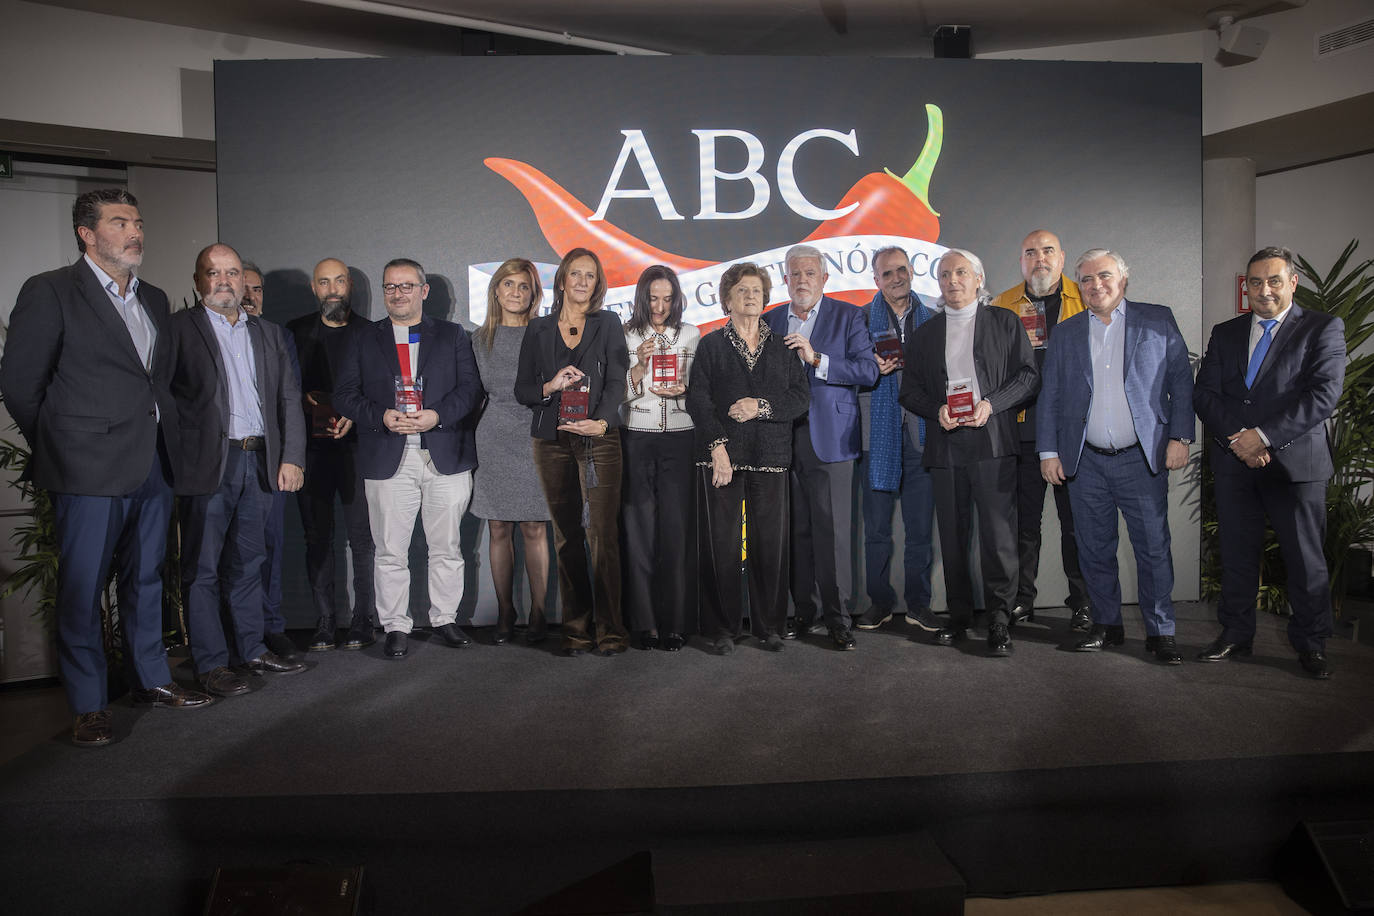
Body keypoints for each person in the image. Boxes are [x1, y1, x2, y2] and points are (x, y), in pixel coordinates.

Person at [1, 188, 212, 746]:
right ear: (87, 235)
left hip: (151, 464)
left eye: (138, 221)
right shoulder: (50, 291)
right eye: (120, 222)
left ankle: (150, 680)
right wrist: (63, 447)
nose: (135, 231)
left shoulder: (155, 297)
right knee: (82, 588)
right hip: (85, 469)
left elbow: (155, 382)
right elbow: (21, 385)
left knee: (146, 579)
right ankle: (90, 704)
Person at [1194, 246, 1345, 679]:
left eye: (1274, 281)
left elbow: (1322, 396)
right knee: (1237, 556)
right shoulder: (1226, 332)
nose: (1265, 291)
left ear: (1292, 283)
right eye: (1255, 282)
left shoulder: (1322, 328)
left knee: (1304, 558)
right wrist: (1238, 440)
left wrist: (1262, 437)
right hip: (1234, 462)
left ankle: (1311, 644)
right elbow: (1205, 393)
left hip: (1295, 467)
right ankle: (1236, 635)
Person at [1037, 249, 1194, 665]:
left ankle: (1161, 632)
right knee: (1093, 548)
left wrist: (1180, 436)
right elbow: (1050, 396)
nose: (1095, 286)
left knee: (1153, 549)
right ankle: (1107, 625)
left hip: (1140, 459)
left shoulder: (1157, 319)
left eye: (1104, 276)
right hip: (1084, 462)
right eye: (1086, 280)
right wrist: (1049, 451)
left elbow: (1181, 381)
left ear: (1123, 280)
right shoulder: (1067, 333)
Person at [168, 243, 307, 698]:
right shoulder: (177, 330)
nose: (225, 281)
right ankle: (210, 664)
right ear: (198, 281)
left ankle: (251, 649)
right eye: (215, 273)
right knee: (203, 569)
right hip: (209, 464)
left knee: (250, 563)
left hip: (260, 459)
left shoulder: (266, 333)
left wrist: (292, 457)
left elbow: (288, 398)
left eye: (232, 273)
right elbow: (164, 401)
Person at [334, 258, 484, 659]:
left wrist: (436, 415)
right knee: (389, 550)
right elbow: (345, 394)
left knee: (447, 547)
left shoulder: (453, 335)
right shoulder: (364, 338)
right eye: (390, 287)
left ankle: (445, 618)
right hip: (388, 454)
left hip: (443, 453)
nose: (397, 294)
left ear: (424, 290)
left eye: (406, 286)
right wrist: (381, 416)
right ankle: (396, 625)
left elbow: (470, 391)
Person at [899, 248, 1038, 656]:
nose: (952, 280)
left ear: (978, 279)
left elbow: (1029, 377)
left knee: (998, 538)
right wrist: (936, 409)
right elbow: (910, 391)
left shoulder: (1005, 321)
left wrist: (992, 403)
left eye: (961, 272)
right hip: (946, 446)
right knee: (953, 538)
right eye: (944, 274)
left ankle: (998, 619)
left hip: (993, 442)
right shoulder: (925, 333)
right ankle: (959, 616)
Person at [687, 262, 811, 654]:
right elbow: (699, 400)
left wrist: (760, 406)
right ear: (727, 299)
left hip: (771, 455)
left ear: (766, 297)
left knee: (770, 544)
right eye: (741, 290)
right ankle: (722, 629)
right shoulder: (711, 345)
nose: (751, 296)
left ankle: (769, 627)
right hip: (723, 457)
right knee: (721, 544)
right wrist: (717, 447)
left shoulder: (784, 347)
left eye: (756, 290)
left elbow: (799, 398)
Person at [515, 248, 630, 657]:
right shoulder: (538, 329)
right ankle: (576, 630)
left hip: (599, 437)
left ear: (597, 285)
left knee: (603, 536)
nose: (582, 281)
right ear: (562, 280)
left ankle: (611, 630)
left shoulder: (609, 322)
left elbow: (617, 380)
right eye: (575, 274)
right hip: (551, 442)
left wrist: (601, 421)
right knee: (566, 537)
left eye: (590, 276)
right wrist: (550, 386)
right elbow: (523, 391)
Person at [763, 244, 878, 650]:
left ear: (824, 279)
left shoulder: (849, 316)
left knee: (833, 534)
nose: (802, 281)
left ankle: (838, 618)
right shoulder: (770, 320)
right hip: (780, 440)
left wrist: (818, 360)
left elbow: (867, 371)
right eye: (795, 274)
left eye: (810, 273)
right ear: (785, 279)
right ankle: (804, 611)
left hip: (831, 439)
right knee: (795, 533)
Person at [992, 230, 1092, 631]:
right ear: (1021, 261)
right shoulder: (1003, 304)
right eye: (1030, 252)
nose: (1040, 259)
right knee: (1023, 526)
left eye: (1047, 251)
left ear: (1062, 257)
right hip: (1021, 430)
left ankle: (1084, 602)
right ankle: (1021, 600)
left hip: (1072, 433)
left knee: (1078, 524)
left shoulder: (1086, 297)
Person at [287, 258, 377, 652]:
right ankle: (325, 620)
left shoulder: (371, 334)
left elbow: (381, 391)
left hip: (359, 451)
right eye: (325, 282)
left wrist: (355, 418)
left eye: (339, 281)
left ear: (350, 286)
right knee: (317, 537)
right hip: (311, 451)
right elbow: (283, 391)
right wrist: (305, 402)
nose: (333, 289)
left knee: (362, 538)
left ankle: (363, 619)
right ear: (314, 288)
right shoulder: (295, 332)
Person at [855, 246, 939, 634]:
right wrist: (871, 369)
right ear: (876, 280)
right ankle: (880, 602)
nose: (895, 278)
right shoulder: (858, 320)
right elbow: (847, 374)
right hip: (877, 437)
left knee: (921, 530)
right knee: (877, 531)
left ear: (911, 271)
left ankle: (919, 604)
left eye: (901, 270)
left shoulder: (933, 319)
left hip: (922, 435)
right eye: (886, 274)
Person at [470, 258, 553, 645]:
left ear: (534, 293)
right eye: (509, 285)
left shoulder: (547, 334)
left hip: (536, 436)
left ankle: (538, 612)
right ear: (496, 290)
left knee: (536, 528)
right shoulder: (478, 339)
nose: (516, 293)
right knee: (498, 527)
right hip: (494, 438)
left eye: (524, 286)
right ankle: (506, 612)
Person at [621, 265, 700, 651]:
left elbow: (701, 391)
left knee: (677, 531)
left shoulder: (690, 334)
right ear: (642, 297)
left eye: (667, 299)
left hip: (681, 439)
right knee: (639, 534)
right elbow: (615, 394)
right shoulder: (624, 335)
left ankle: (676, 623)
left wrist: (684, 392)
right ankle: (645, 624)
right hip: (637, 436)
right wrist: (637, 364)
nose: (660, 306)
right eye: (653, 298)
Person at [237, 260, 300, 661]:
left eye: (257, 289)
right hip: (221, 460)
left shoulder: (277, 336)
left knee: (271, 548)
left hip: (269, 459)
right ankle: (235, 637)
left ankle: (270, 626)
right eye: (244, 288)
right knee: (228, 556)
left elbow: (288, 400)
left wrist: (290, 457)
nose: (249, 296)